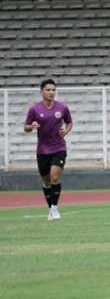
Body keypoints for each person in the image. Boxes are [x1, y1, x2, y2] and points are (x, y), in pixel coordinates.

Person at [23, 78, 73, 221]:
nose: (51, 92)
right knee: (46, 180)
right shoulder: (34, 109)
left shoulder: (62, 108)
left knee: (55, 177)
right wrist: (31, 126)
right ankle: (50, 208)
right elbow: (25, 127)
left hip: (59, 148)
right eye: (48, 90)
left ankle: (55, 209)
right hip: (42, 150)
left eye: (53, 90)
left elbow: (69, 123)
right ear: (41, 92)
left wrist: (66, 131)